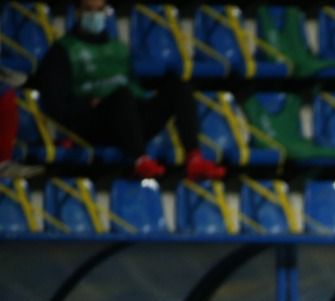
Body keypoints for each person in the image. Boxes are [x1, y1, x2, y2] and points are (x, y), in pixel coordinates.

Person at [29, 0, 225, 181]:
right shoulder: (62, 50)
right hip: (92, 124)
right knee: (121, 96)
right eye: (89, 9)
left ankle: (194, 158)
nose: (95, 15)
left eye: (100, 10)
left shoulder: (118, 48)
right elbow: (55, 103)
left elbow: (134, 86)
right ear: (78, 12)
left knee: (178, 87)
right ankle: (140, 160)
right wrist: (86, 104)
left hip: (130, 119)